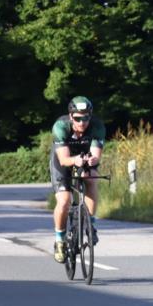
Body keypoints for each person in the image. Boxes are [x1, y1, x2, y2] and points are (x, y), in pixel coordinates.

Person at [50, 96, 106, 263]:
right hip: (64, 160)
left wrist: (91, 161)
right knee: (65, 201)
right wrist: (75, 161)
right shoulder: (60, 127)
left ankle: (90, 223)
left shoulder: (97, 127)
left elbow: (96, 156)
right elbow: (64, 160)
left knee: (92, 178)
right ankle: (59, 240)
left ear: (90, 116)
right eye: (78, 118)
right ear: (70, 116)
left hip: (83, 157)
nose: (82, 122)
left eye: (86, 118)